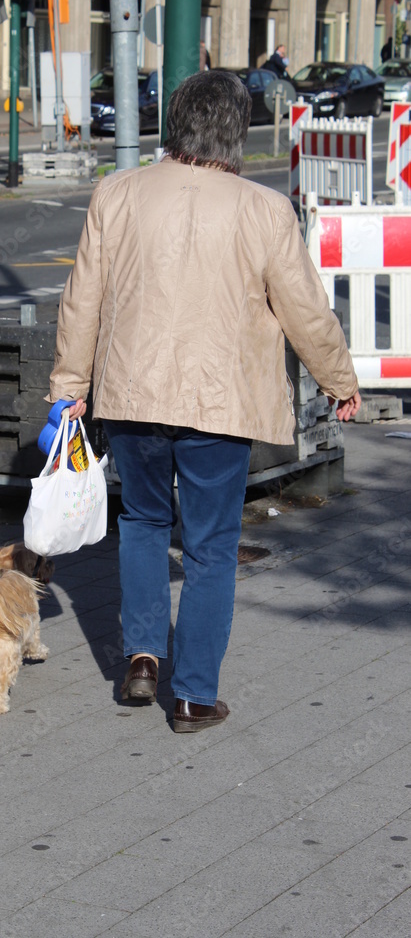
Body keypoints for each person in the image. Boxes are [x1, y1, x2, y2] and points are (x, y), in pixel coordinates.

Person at [48, 70, 360, 734]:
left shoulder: (118, 193)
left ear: (171, 123)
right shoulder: (263, 208)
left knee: (140, 523)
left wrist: (69, 388)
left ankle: (139, 656)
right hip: (220, 405)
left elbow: (83, 300)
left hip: (131, 394)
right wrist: (339, 381)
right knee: (213, 547)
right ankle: (191, 697)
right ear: (237, 133)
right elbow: (303, 310)